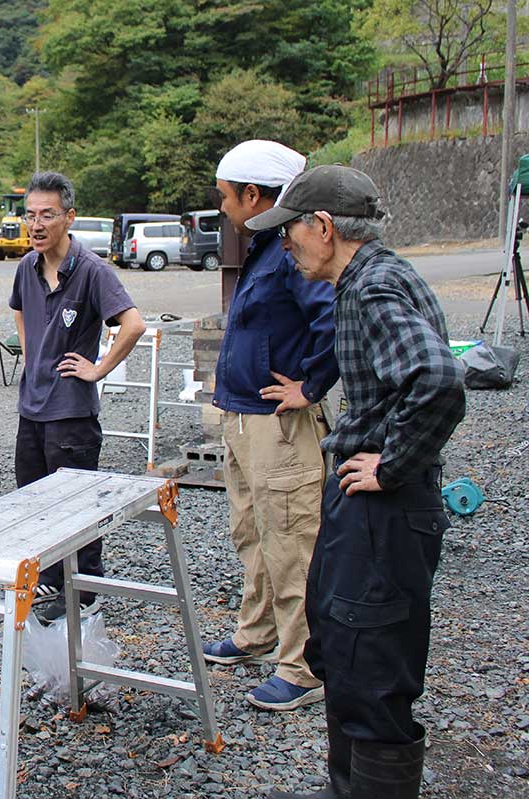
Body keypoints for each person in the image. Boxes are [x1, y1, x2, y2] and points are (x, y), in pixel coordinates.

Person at [245, 166, 465, 799]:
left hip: (386, 510)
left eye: (290, 230)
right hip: (365, 504)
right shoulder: (367, 278)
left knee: (371, 668)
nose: (284, 243)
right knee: (340, 647)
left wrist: (390, 464)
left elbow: (439, 382)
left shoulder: (372, 288)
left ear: (323, 226)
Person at [201, 140, 340, 713]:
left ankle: (303, 665)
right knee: (253, 533)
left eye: (226, 197)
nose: (223, 207)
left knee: (291, 541)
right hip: (245, 416)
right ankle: (258, 632)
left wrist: (310, 387)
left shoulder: (292, 249)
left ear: (254, 195)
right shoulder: (265, 243)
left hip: (279, 426)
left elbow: (336, 316)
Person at [9, 171, 146, 624]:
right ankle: (49, 579)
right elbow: (18, 312)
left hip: (72, 412)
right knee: (32, 500)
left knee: (75, 505)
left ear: (69, 217)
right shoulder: (26, 267)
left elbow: (133, 324)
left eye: (47, 214)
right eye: (30, 215)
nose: (37, 224)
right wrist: (34, 360)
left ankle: (85, 589)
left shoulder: (91, 271)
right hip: (32, 408)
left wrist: (98, 368)